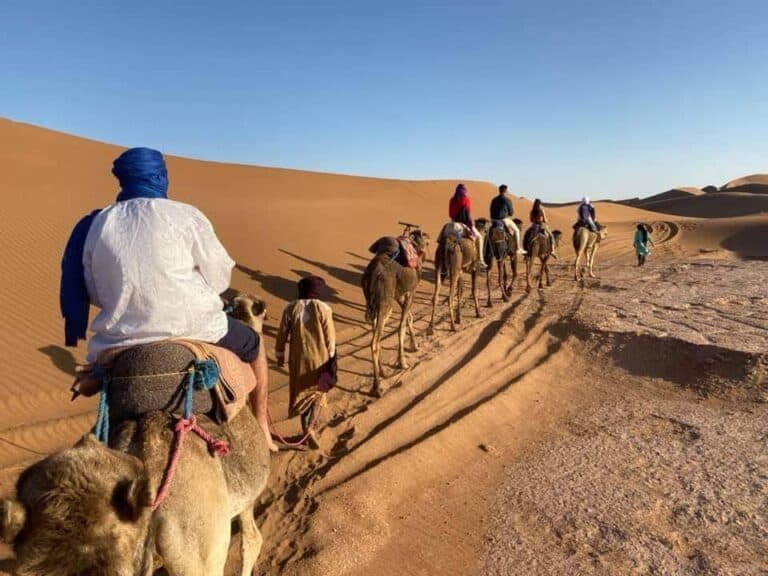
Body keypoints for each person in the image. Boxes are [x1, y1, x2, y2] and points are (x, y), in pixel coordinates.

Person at [60, 147, 278, 452]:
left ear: (122, 180)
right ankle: (263, 426)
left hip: (119, 338)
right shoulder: (186, 215)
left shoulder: (98, 223)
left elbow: (93, 290)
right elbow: (219, 279)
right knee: (253, 345)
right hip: (197, 326)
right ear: (162, 177)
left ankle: (100, 375)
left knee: (106, 363)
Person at [275, 276, 337, 450]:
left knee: (301, 393)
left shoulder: (289, 308)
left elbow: (282, 334)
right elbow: (330, 336)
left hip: (298, 359)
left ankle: (305, 429)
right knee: (318, 392)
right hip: (320, 357)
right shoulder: (324, 308)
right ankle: (310, 427)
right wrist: (331, 356)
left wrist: (280, 354)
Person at [449, 183, 487, 269]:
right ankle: (480, 260)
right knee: (479, 238)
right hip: (464, 222)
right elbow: (467, 214)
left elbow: (450, 214)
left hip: (453, 222)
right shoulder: (466, 199)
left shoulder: (452, 200)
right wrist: (470, 225)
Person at [489, 184, 526, 254]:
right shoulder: (507, 200)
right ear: (505, 191)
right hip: (503, 220)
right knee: (517, 230)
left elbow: (491, 210)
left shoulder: (494, 199)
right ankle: (518, 248)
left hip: (493, 220)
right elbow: (511, 212)